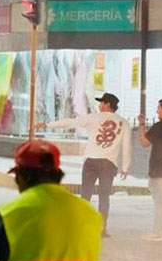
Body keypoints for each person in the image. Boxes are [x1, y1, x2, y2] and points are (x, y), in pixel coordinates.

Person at [39, 93, 132, 235]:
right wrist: (125, 167)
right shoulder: (124, 123)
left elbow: (71, 122)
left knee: (85, 195)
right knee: (104, 197)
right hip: (109, 164)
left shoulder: (93, 118)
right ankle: (102, 229)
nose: (99, 105)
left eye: (101, 103)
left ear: (108, 104)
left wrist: (47, 125)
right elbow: (127, 146)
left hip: (91, 161)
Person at [139, 98, 162, 241]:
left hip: (160, 172)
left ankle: (158, 232)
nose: (157, 111)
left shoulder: (159, 127)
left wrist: (141, 125)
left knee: (160, 203)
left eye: (159, 108)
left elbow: (144, 142)